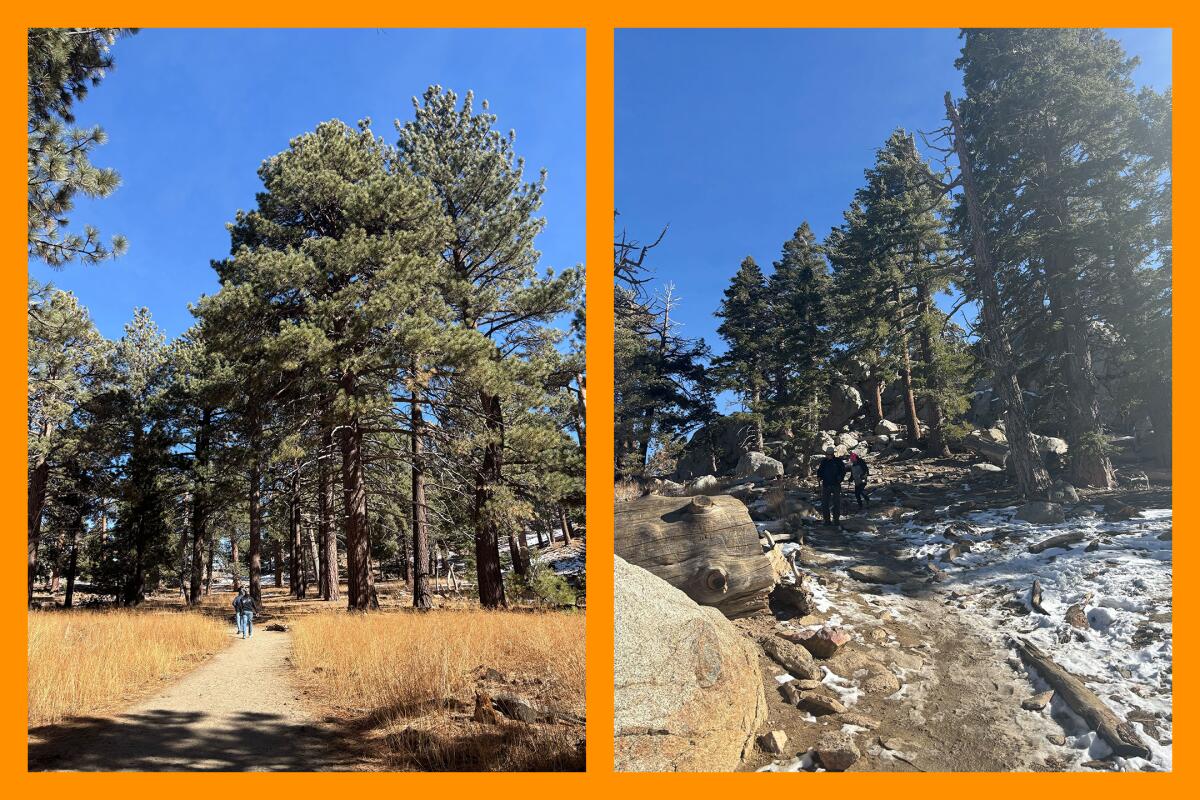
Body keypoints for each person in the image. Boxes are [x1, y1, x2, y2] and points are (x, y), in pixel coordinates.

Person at [816, 447, 848, 527]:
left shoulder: (838, 461)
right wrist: (819, 476)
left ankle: (836, 520)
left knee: (836, 503)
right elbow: (820, 470)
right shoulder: (824, 461)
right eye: (827, 454)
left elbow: (843, 471)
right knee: (824, 504)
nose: (828, 456)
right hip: (826, 484)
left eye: (829, 454)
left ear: (832, 454)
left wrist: (840, 478)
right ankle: (827, 521)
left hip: (836, 485)